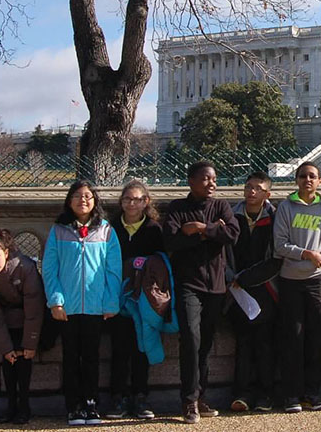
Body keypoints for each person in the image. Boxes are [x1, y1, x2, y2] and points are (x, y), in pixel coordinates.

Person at [163, 161, 240, 423]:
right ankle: (188, 401)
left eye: (214, 179)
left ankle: (201, 396)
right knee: (191, 339)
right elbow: (172, 240)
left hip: (216, 286)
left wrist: (202, 228)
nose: (212, 184)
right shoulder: (177, 208)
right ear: (191, 181)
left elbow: (231, 234)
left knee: (205, 344)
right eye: (206, 179)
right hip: (188, 284)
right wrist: (207, 233)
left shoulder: (221, 206)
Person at [42, 180, 123, 426]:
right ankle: (73, 404)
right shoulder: (59, 230)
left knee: (91, 356)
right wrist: (56, 301)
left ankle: (91, 402)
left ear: (95, 201)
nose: (83, 201)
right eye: (78, 196)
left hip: (96, 307)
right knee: (70, 356)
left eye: (88, 196)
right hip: (68, 307)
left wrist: (110, 302)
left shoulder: (106, 230)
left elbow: (114, 269)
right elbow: (50, 268)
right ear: (69, 201)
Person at [273, 161, 321, 414]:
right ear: (296, 180)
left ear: (320, 181)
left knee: (316, 338)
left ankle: (313, 391)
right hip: (291, 280)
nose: (307, 180)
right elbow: (279, 245)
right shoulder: (285, 208)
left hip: (317, 280)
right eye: (303, 176)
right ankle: (291, 394)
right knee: (293, 337)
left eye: (312, 176)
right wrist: (306, 254)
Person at [106, 180, 164, 420]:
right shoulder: (110, 228)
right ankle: (118, 397)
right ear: (121, 202)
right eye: (128, 199)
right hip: (118, 296)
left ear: (146, 202)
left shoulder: (153, 229)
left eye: (138, 199)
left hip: (143, 299)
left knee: (142, 347)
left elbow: (161, 262)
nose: (132, 203)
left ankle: (141, 396)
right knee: (119, 348)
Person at [0, 228, 46, 425]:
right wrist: (5, 348)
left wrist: (30, 343)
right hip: (7, 322)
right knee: (9, 363)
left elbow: (34, 306)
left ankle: (24, 406)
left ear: (6, 253)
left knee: (24, 362)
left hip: (30, 320)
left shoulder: (25, 267)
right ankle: (11, 406)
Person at [226, 171, 282, 414]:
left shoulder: (275, 217)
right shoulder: (231, 216)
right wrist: (234, 278)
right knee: (243, 342)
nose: (251, 192)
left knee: (265, 343)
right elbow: (223, 252)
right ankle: (242, 393)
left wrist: (248, 278)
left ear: (267, 194)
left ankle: (266, 393)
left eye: (257, 188)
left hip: (265, 287)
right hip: (236, 290)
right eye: (248, 186)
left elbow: (276, 256)